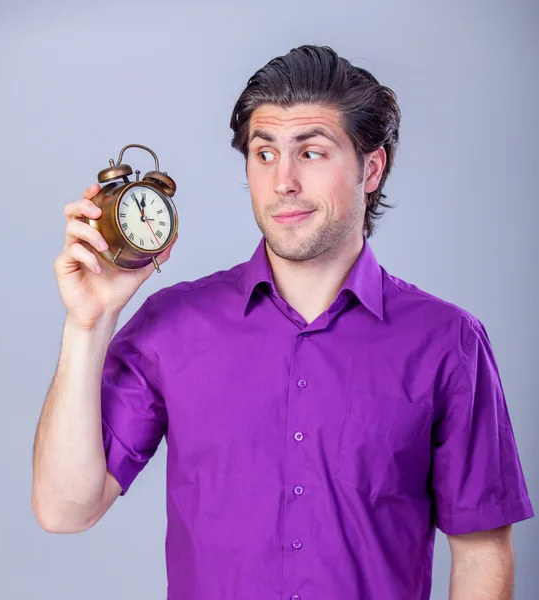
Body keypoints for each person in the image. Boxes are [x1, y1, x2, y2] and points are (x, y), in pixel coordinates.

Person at [32, 44, 534, 600]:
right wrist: (89, 324)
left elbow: (482, 548)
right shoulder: (172, 326)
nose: (283, 182)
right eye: (264, 154)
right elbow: (64, 508)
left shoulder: (447, 342)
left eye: (311, 153)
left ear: (371, 168)